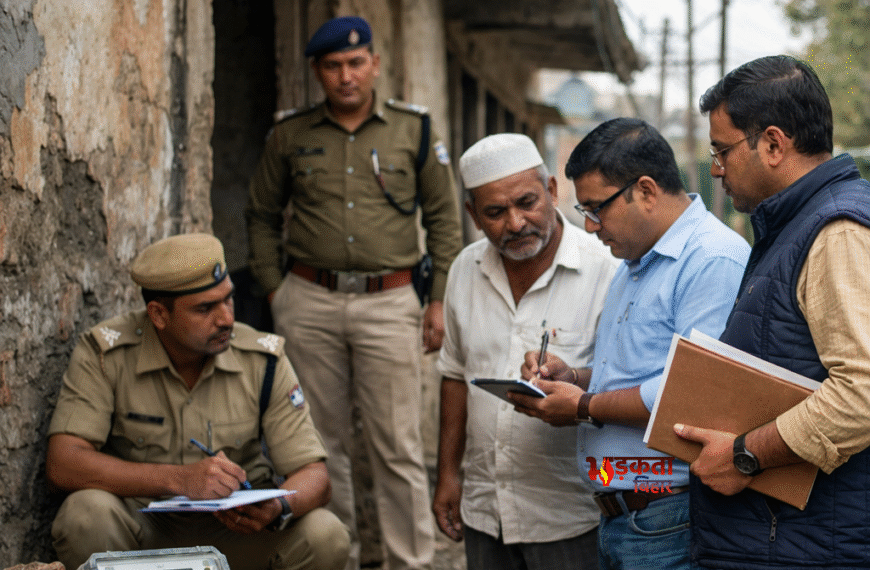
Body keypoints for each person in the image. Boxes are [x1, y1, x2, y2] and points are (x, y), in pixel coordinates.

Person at [245, 16, 462, 570]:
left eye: (356, 62)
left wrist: (436, 299)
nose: (346, 76)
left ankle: (409, 562)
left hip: (390, 301)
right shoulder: (290, 134)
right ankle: (336, 556)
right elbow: (262, 216)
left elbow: (444, 220)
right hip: (307, 300)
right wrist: (277, 292)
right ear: (318, 71)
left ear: (375, 63)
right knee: (319, 444)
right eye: (334, 66)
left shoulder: (412, 130)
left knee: (397, 445)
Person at [511, 118, 750, 570]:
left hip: (667, 514)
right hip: (625, 516)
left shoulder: (711, 259)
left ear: (645, 190)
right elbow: (638, 371)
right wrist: (575, 378)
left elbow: (691, 393)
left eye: (596, 209)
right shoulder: (636, 261)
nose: (589, 225)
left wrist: (584, 406)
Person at [46, 233, 350, 570]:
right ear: (159, 314)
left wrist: (277, 509)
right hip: (143, 536)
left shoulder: (262, 360)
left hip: (237, 534)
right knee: (84, 514)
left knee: (326, 534)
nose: (226, 319)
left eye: (228, 300)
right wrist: (178, 479)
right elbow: (64, 462)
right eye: (205, 308)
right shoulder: (106, 355)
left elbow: (315, 476)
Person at [674, 55, 870, 569]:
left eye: (722, 151)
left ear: (774, 143)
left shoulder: (836, 233)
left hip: (804, 547)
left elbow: (862, 392)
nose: (716, 168)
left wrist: (747, 454)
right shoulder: (795, 226)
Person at [432, 133, 618, 569]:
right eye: (495, 212)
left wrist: (571, 378)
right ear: (473, 215)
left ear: (552, 191)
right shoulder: (465, 269)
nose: (515, 223)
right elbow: (455, 376)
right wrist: (447, 476)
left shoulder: (604, 270)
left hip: (570, 512)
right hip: (484, 509)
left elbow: (624, 381)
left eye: (527, 202)